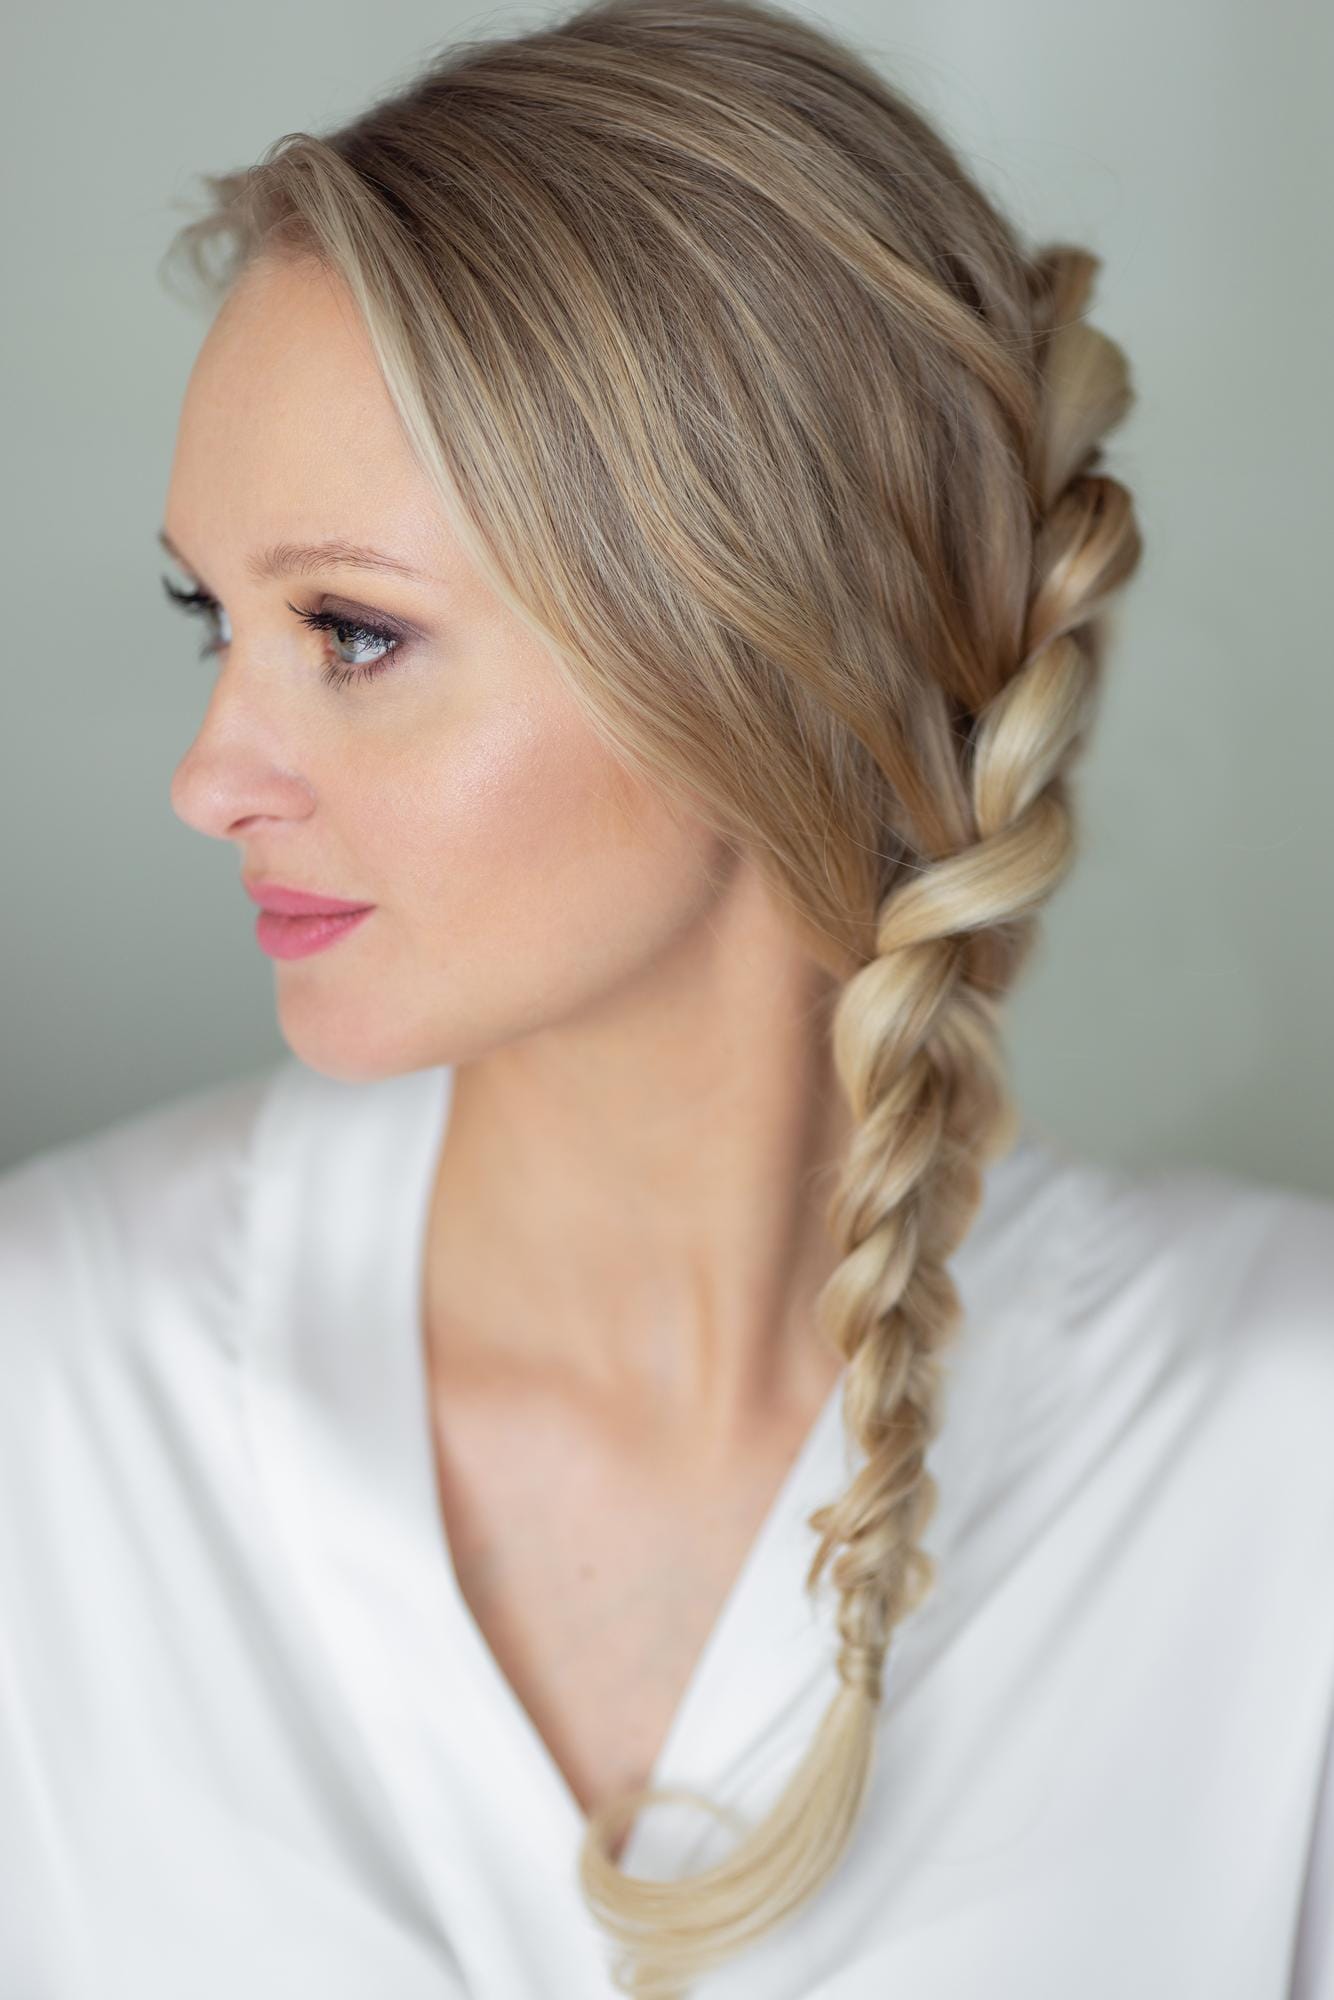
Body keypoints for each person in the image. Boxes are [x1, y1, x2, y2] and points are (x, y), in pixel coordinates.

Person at [1, 1, 1330, 1995]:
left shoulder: (1275, 1459)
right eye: (219, 618)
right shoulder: (51, 1399)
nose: (210, 774)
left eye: (349, 632)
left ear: (757, 666)